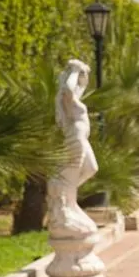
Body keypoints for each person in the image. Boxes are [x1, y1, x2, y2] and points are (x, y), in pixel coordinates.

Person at [47, 59, 99, 239]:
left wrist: (82, 76)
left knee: (92, 169)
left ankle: (67, 195)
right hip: (76, 138)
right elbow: (69, 90)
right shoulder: (67, 98)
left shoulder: (73, 99)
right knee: (73, 170)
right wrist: (76, 70)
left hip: (81, 138)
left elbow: (76, 89)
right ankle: (64, 199)